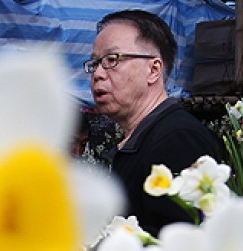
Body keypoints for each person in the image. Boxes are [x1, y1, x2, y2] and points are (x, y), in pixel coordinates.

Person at [88, 10, 223, 236]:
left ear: (153, 70)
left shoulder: (178, 138)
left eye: (112, 60)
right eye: (94, 63)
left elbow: (177, 238)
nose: (98, 74)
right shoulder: (140, 138)